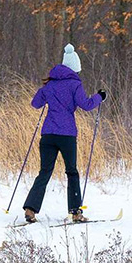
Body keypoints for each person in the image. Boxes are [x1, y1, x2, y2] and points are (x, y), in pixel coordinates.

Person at [23, 43, 106, 223]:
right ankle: (76, 212)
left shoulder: (50, 84)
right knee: (72, 172)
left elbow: (35, 103)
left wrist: (45, 91)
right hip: (67, 135)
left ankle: (30, 209)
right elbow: (86, 105)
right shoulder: (75, 84)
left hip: (48, 135)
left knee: (44, 171)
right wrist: (100, 96)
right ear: (75, 68)